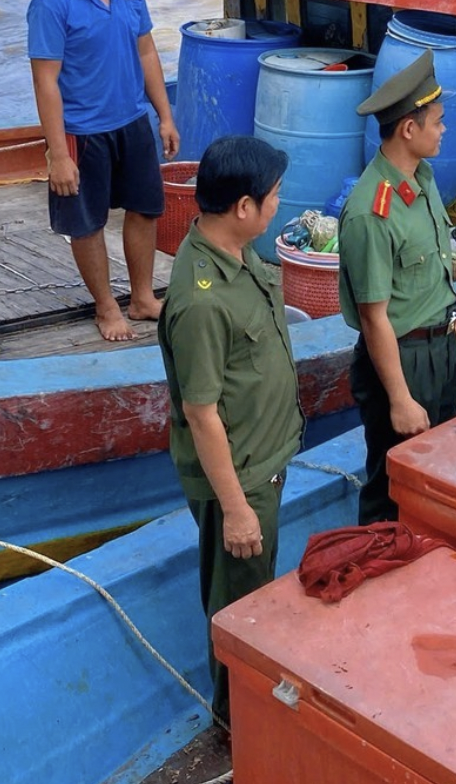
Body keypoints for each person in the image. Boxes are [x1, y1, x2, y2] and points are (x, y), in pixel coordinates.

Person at [157, 135, 303, 723]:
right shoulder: (199, 300)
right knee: (239, 603)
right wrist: (237, 509)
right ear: (243, 207)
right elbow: (201, 412)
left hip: (264, 458)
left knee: (254, 592)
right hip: (239, 477)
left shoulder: (241, 257)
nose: (278, 207)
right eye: (273, 198)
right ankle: (236, 724)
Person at [28, 0, 179, 342]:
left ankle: (142, 296)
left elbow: (147, 50)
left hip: (132, 120)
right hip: (82, 131)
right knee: (87, 222)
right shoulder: (51, 3)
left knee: (146, 209)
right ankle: (106, 306)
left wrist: (164, 116)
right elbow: (45, 83)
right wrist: (58, 153)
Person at [338, 51, 456, 524]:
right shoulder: (372, 212)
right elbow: (375, 318)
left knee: (439, 471)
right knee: (391, 486)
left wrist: (452, 322)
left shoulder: (423, 177)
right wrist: (398, 397)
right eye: (437, 122)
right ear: (408, 130)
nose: (443, 130)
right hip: (401, 359)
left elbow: (431, 271)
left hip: (439, 349)